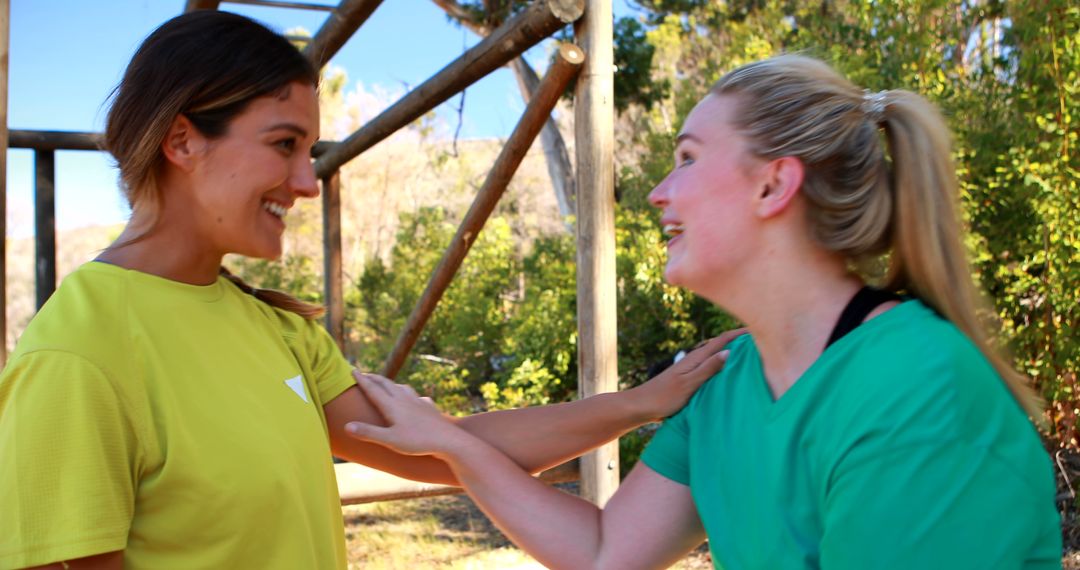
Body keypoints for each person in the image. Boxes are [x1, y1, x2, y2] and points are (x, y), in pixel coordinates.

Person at [0, 11, 742, 570]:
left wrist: (644, 402)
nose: (306, 181)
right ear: (184, 141)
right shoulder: (79, 354)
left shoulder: (274, 330)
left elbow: (441, 453)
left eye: (310, 151)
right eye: (284, 145)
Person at [345, 54, 1063, 569]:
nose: (659, 192)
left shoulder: (917, 390)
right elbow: (605, 552)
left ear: (772, 185)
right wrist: (451, 442)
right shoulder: (726, 379)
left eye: (686, 158)